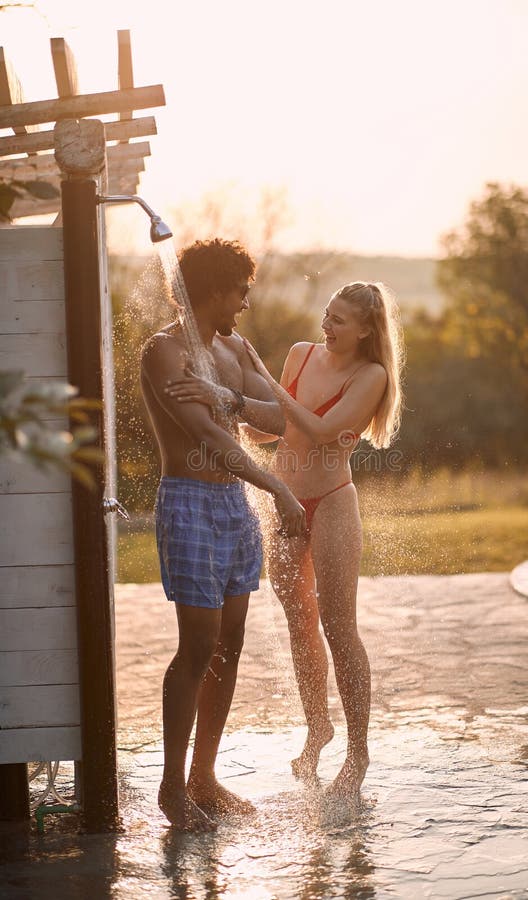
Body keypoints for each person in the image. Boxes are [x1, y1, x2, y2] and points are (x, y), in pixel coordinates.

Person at [166, 281, 404, 801]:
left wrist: (255, 389)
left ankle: (358, 753)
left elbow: (319, 430)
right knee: (301, 622)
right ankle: (318, 728)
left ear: (366, 329)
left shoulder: (372, 375)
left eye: (340, 320)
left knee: (340, 628)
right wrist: (225, 400)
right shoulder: (300, 354)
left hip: (332, 504)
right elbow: (270, 431)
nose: (327, 324)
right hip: (285, 505)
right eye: (327, 313)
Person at [140, 238, 306, 832]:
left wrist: (229, 396)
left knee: (229, 644)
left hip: (234, 504)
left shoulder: (238, 348)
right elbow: (211, 436)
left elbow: (276, 418)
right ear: (213, 290)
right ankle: (169, 788)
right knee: (197, 646)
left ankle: (203, 778)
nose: (244, 304)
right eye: (239, 292)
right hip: (189, 502)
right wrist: (279, 490)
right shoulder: (164, 352)